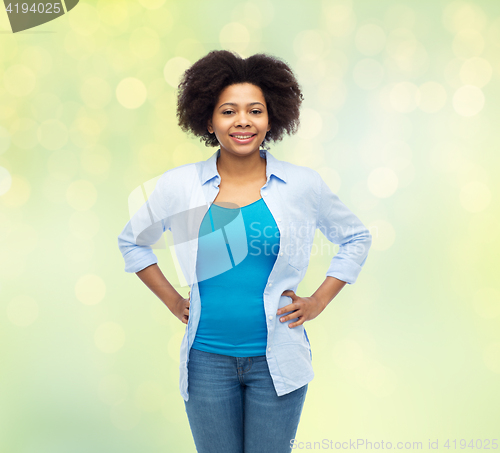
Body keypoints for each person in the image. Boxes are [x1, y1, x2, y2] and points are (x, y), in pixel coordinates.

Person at [117, 50, 372, 453]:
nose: (242, 121)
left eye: (255, 111)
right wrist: (171, 301)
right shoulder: (178, 186)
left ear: (271, 119)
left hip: (277, 363)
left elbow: (355, 236)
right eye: (228, 111)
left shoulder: (302, 185)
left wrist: (319, 300)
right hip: (206, 363)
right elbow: (132, 241)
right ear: (208, 119)